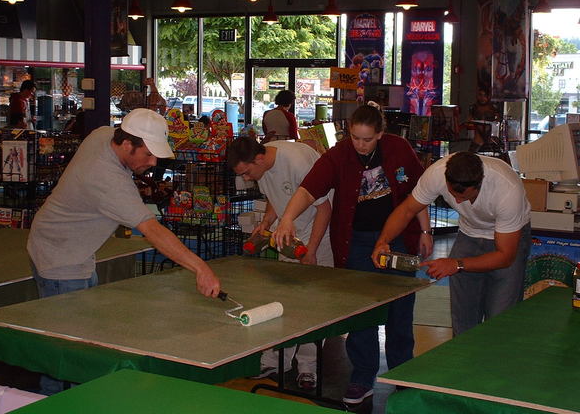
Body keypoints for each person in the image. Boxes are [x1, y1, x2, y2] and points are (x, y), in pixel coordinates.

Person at [27, 108, 221, 394]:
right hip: (61, 258)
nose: (153, 162)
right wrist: (200, 268)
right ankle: (52, 399)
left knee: (80, 338)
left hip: (66, 246)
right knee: (67, 349)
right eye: (148, 154)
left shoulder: (103, 135)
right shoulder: (107, 180)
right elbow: (153, 231)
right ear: (127, 144)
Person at [273, 103, 432, 405]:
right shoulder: (339, 154)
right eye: (355, 138)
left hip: (398, 240)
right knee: (360, 312)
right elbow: (309, 189)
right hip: (356, 242)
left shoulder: (399, 149)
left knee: (400, 310)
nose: (360, 145)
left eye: (367, 139)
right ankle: (362, 377)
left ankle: (403, 373)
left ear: (381, 134)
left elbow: (418, 192)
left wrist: (425, 230)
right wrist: (287, 218)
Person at [372, 151, 531, 337]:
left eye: (463, 197)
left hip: (508, 237)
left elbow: (505, 257)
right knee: (463, 316)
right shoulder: (437, 173)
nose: (457, 201)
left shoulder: (507, 190)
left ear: (480, 183)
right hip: (469, 233)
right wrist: (383, 241)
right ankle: (462, 354)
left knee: (500, 318)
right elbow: (407, 210)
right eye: (452, 194)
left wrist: (456, 264)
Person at [227, 136, 333, 391]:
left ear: (259, 159)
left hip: (318, 232)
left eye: (246, 172)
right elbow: (275, 200)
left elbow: (325, 209)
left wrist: (312, 251)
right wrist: (265, 223)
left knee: (312, 302)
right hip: (288, 231)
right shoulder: (262, 167)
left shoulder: (297, 162)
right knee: (284, 298)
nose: (247, 178)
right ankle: (276, 360)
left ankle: (308, 366)